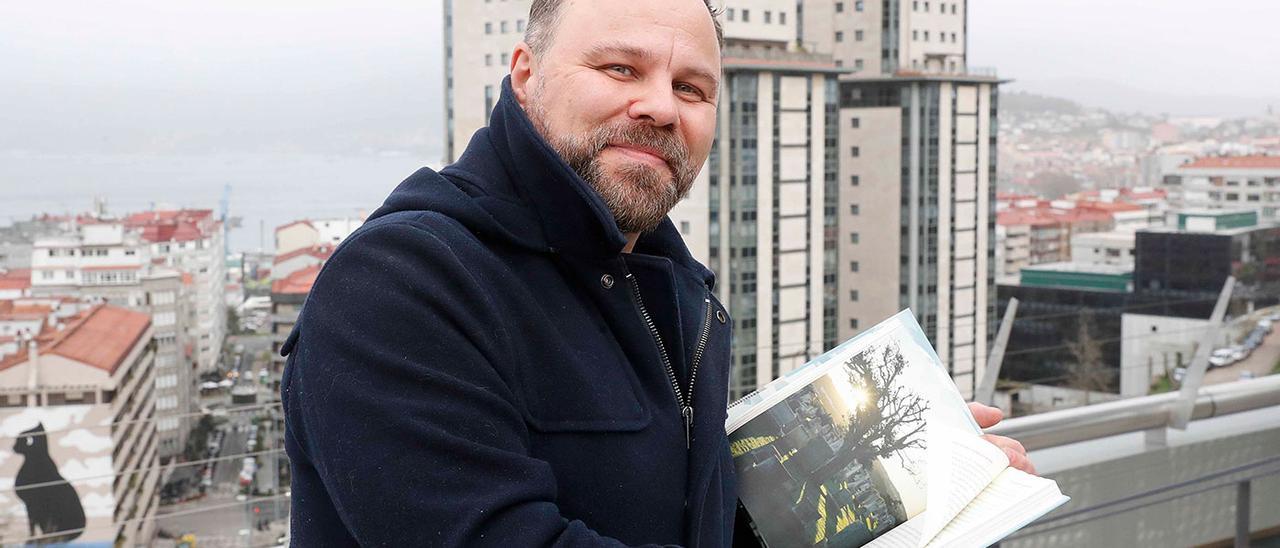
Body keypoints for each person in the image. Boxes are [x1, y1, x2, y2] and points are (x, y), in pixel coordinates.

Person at [280, 0, 1034, 545]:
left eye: (692, 89)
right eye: (620, 68)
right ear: (524, 74)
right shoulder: (402, 280)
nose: (659, 106)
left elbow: (695, 522)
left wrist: (891, 474)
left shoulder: (677, 294)